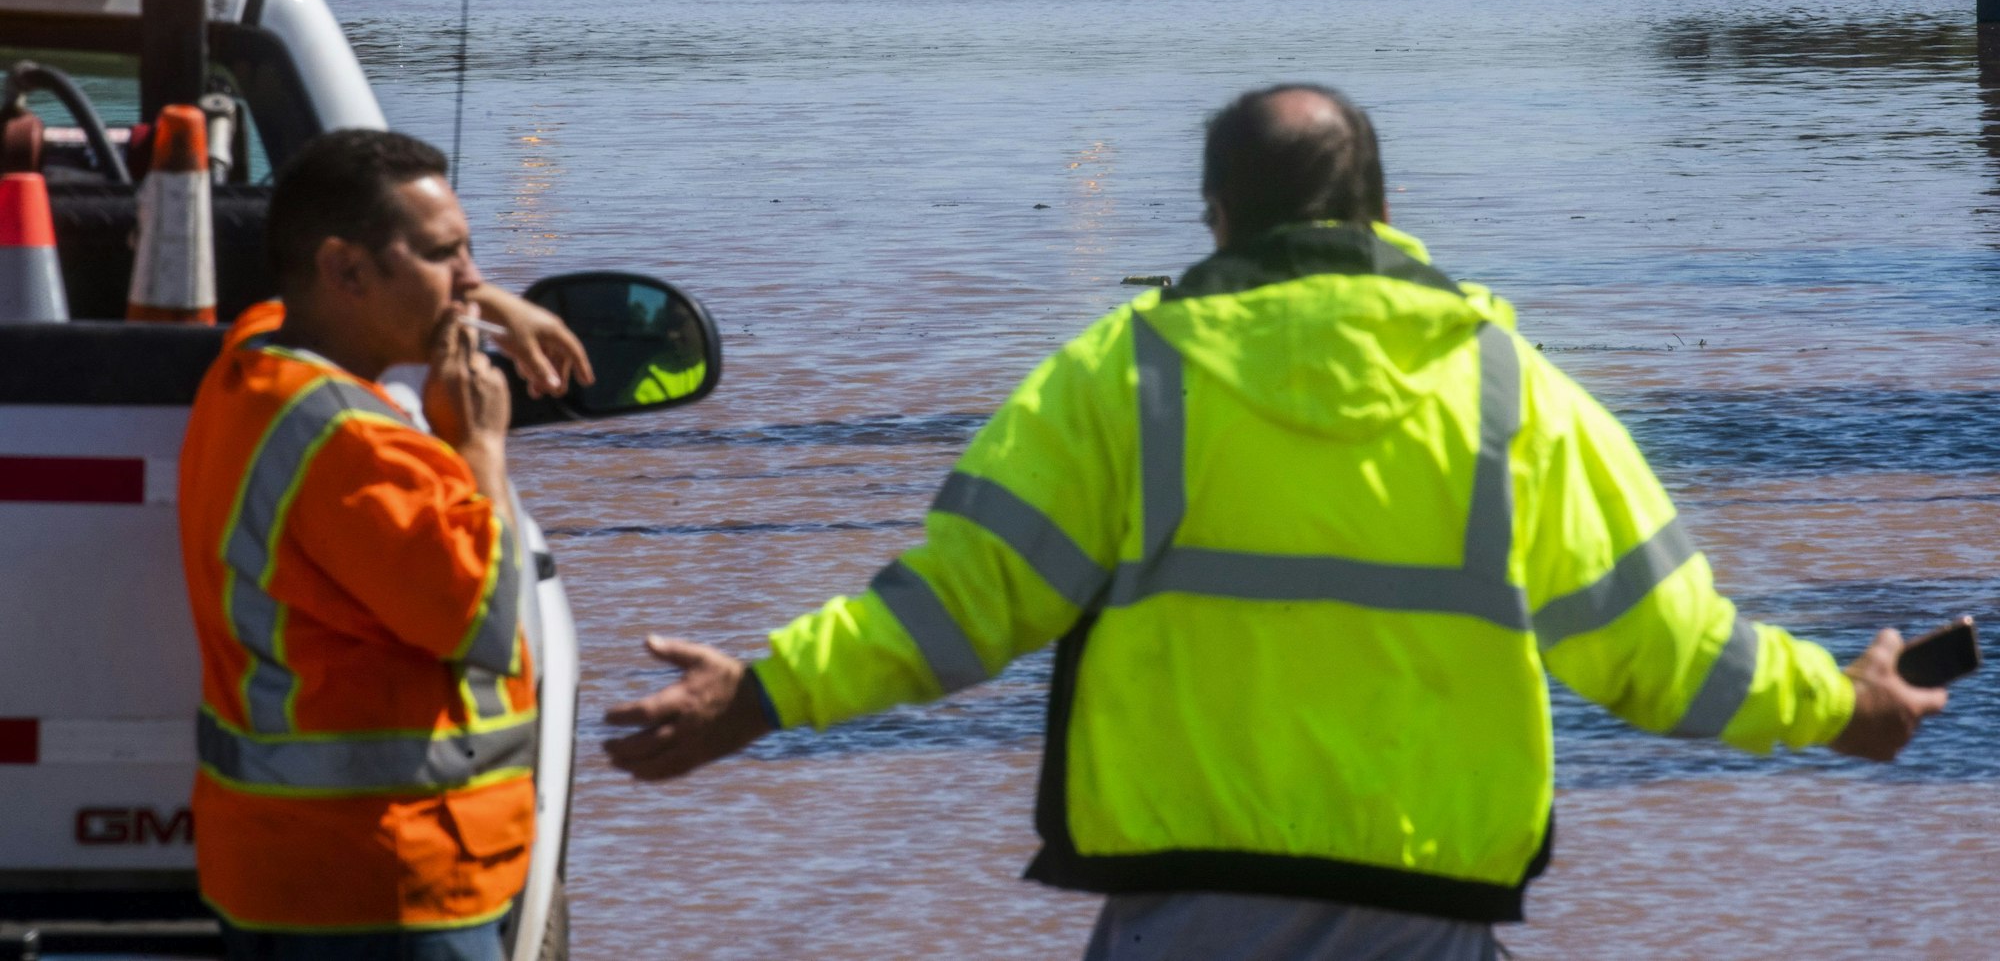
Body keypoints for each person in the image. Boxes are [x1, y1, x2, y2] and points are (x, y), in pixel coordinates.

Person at [603, 85, 1947, 960]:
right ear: (1383, 217)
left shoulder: (1117, 380)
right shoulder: (1510, 396)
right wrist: (1840, 704)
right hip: (1424, 924)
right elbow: (1666, 654)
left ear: (1217, 217)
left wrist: (763, 693)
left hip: (1180, 919)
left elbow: (956, 608)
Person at [178, 128, 593, 959]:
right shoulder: (354, 445)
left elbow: (278, 302)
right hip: (388, 891)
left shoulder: (253, 366)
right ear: (346, 270)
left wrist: (483, 299)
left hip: (293, 874)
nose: (470, 279)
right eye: (446, 254)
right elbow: (481, 616)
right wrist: (479, 442)